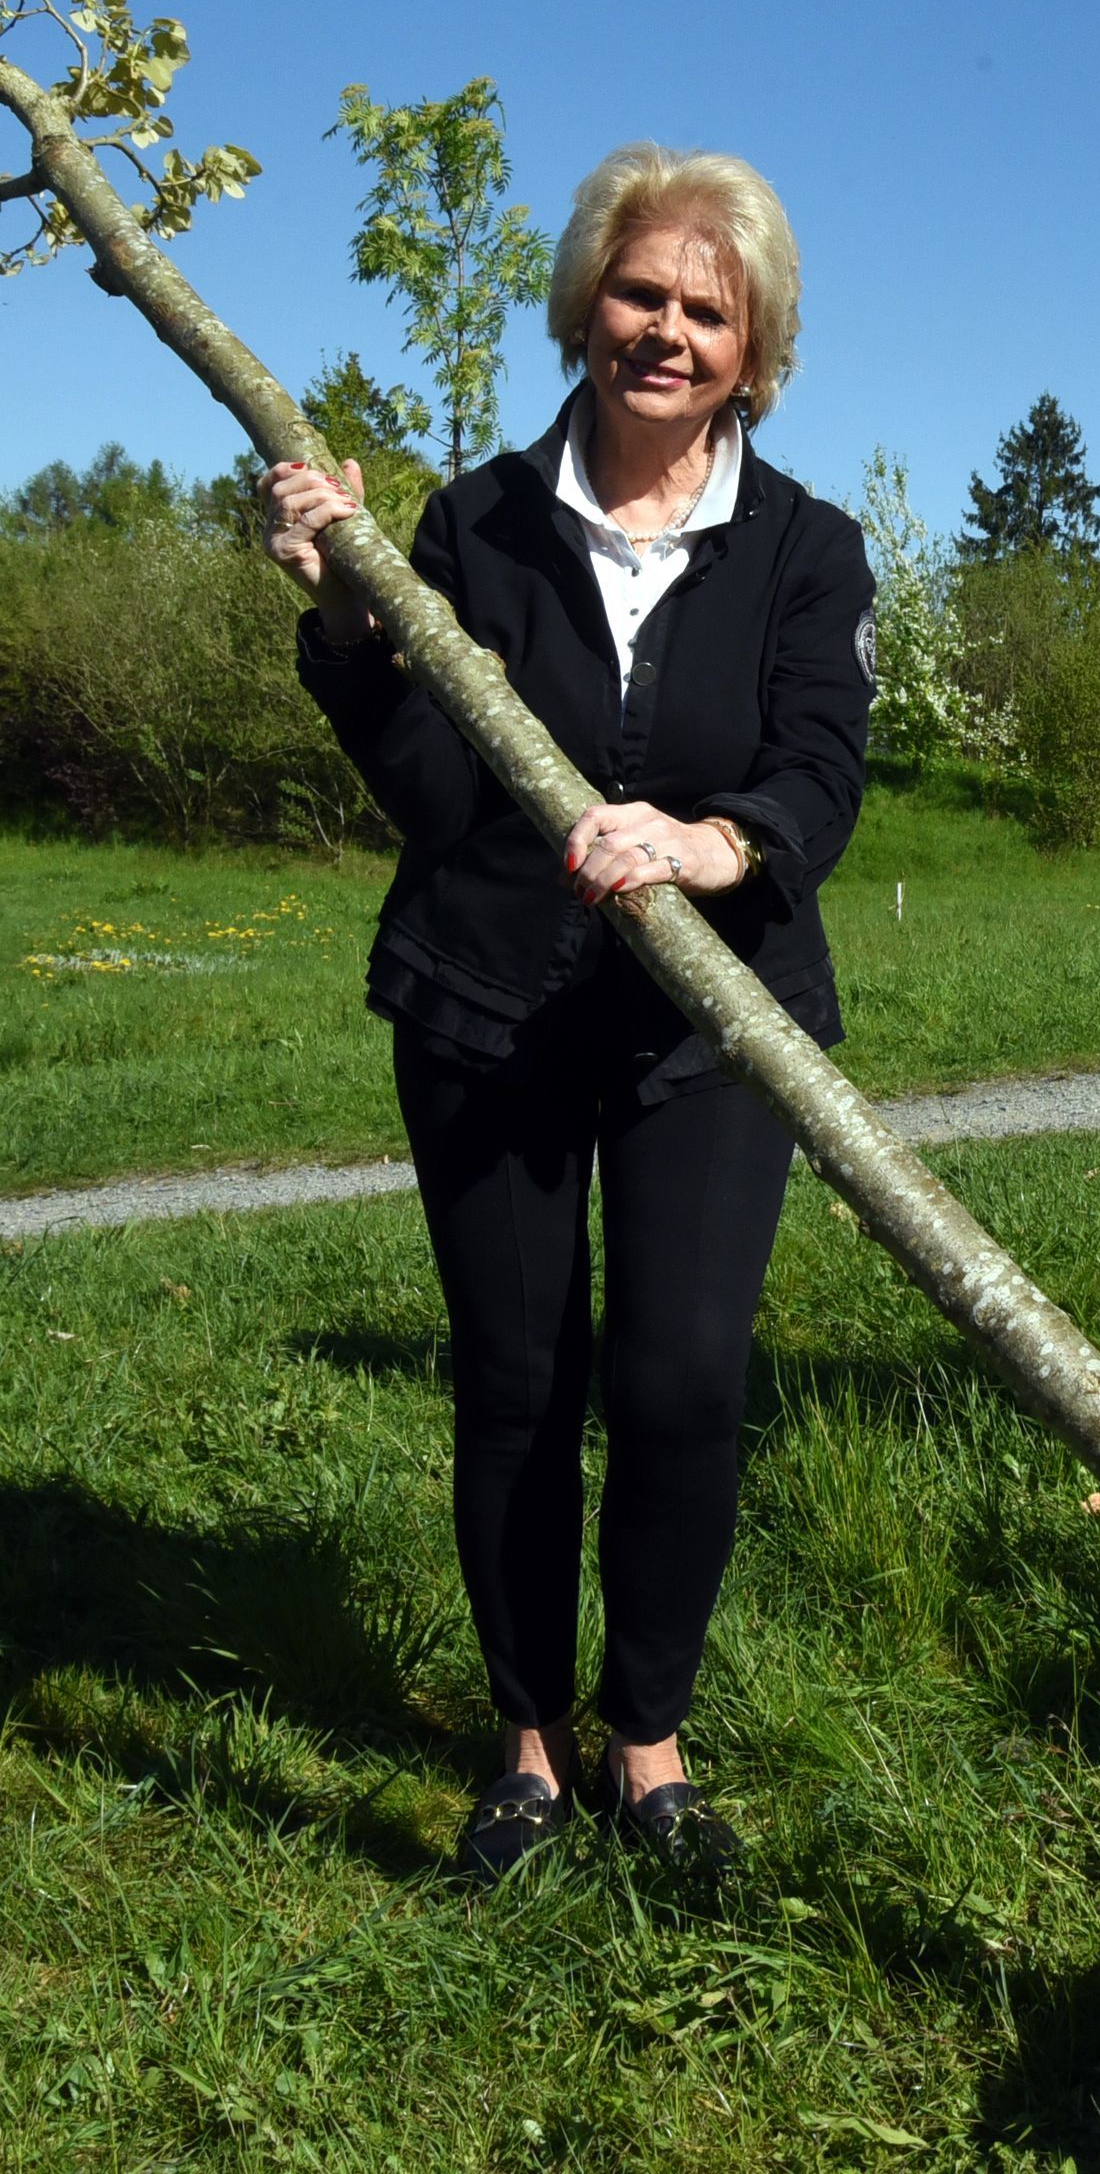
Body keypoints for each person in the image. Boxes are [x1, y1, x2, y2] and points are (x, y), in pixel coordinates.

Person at [262, 143, 874, 1883]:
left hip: (712, 1021)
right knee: (519, 1381)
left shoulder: (807, 548)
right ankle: (529, 1745)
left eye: (706, 311)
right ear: (583, 308)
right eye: (637, 292)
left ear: (754, 351)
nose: (665, 330)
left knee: (681, 1383)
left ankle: (647, 1742)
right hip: (488, 1012)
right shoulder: (473, 525)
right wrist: (350, 625)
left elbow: (824, 769)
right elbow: (436, 795)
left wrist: (714, 843)